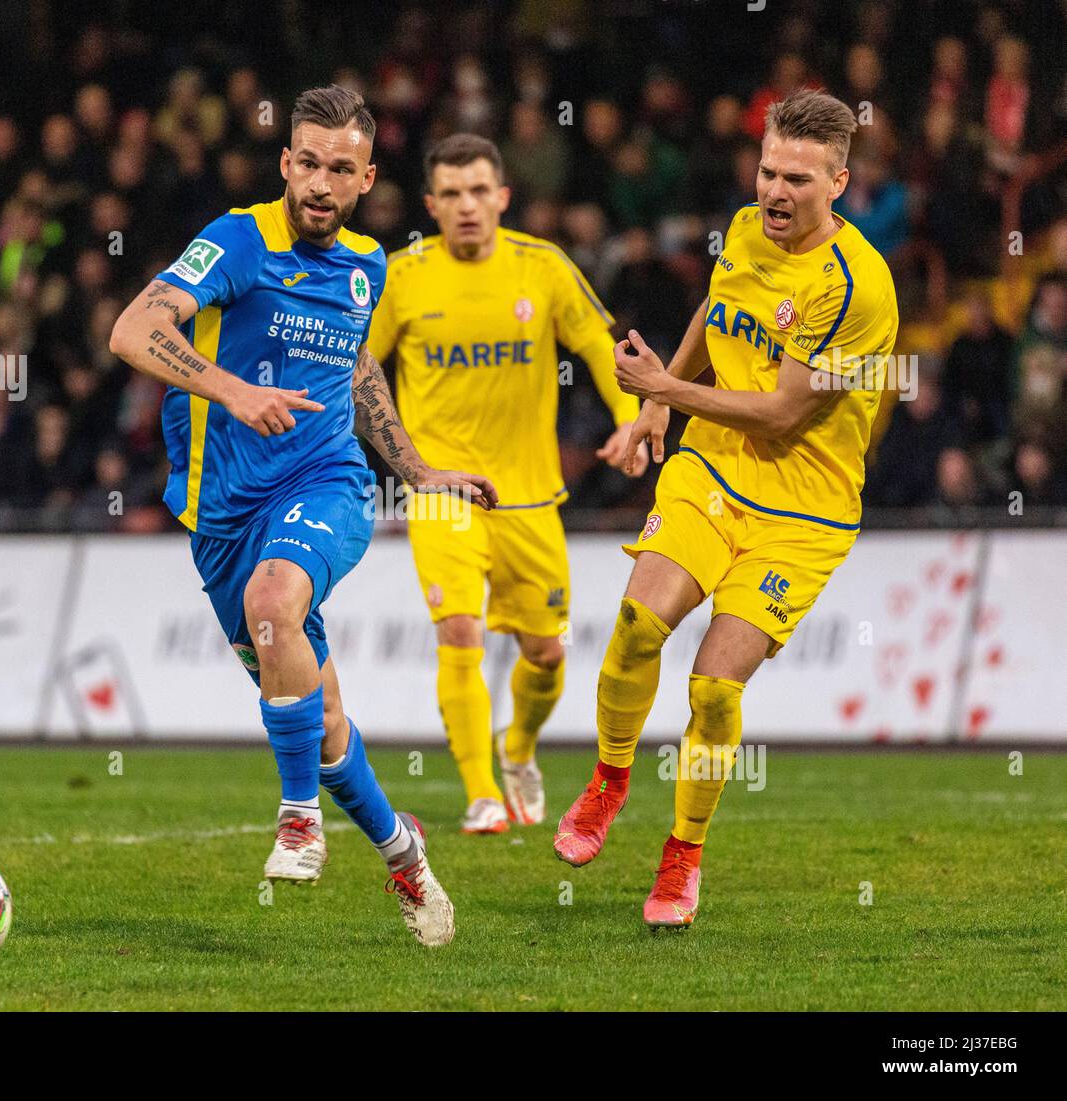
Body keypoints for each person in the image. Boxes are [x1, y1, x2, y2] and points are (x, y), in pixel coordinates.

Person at [109, 86, 496, 947]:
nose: (321, 183)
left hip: (327, 483)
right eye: (308, 163)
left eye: (341, 169)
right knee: (320, 720)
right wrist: (232, 390)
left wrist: (417, 468)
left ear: (367, 179)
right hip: (220, 515)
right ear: (286, 163)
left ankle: (296, 821)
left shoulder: (368, 264)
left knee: (275, 597)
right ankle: (406, 855)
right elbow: (133, 330)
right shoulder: (239, 240)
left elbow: (356, 371)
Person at [554, 89, 899, 929]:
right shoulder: (747, 228)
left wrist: (667, 389)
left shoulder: (855, 288)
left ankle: (682, 856)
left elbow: (785, 412)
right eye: (768, 171)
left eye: (798, 180)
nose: (776, 192)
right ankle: (609, 777)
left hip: (802, 512)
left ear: (841, 183)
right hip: (711, 470)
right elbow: (717, 310)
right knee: (638, 625)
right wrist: (660, 407)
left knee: (712, 686)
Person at [367, 133, 644, 833]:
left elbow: (601, 348)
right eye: (452, 194)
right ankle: (481, 792)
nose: (467, 206)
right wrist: (399, 459)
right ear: (431, 204)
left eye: (479, 191)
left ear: (503, 198)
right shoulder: (402, 277)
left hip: (529, 496)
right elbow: (357, 372)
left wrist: (630, 422)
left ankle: (517, 745)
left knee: (545, 654)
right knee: (457, 630)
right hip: (441, 492)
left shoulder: (542, 267)